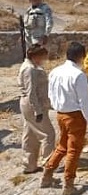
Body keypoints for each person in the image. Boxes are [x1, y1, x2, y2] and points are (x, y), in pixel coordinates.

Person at [42, 42, 88, 195]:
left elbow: (51, 94)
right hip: (75, 117)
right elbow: (85, 101)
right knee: (73, 150)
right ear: (81, 56)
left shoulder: (55, 71)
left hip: (60, 114)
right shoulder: (78, 75)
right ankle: (69, 185)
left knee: (62, 146)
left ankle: (47, 175)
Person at [17, 44, 56, 174]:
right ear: (35, 56)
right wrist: (38, 111)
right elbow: (31, 92)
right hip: (33, 104)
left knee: (30, 135)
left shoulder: (29, 66)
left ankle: (29, 165)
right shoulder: (30, 70)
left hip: (28, 104)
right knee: (48, 135)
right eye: (42, 57)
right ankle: (49, 165)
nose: (43, 60)